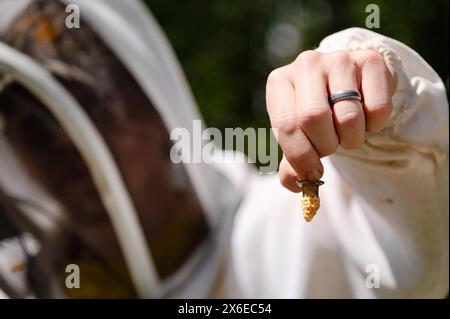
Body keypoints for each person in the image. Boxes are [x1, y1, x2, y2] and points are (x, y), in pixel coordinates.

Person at [0, 0, 447, 298]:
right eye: (30, 128)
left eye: (90, 103)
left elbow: (417, 238)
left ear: (155, 103)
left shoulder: (281, 235)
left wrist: (378, 99)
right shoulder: (18, 280)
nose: (61, 143)